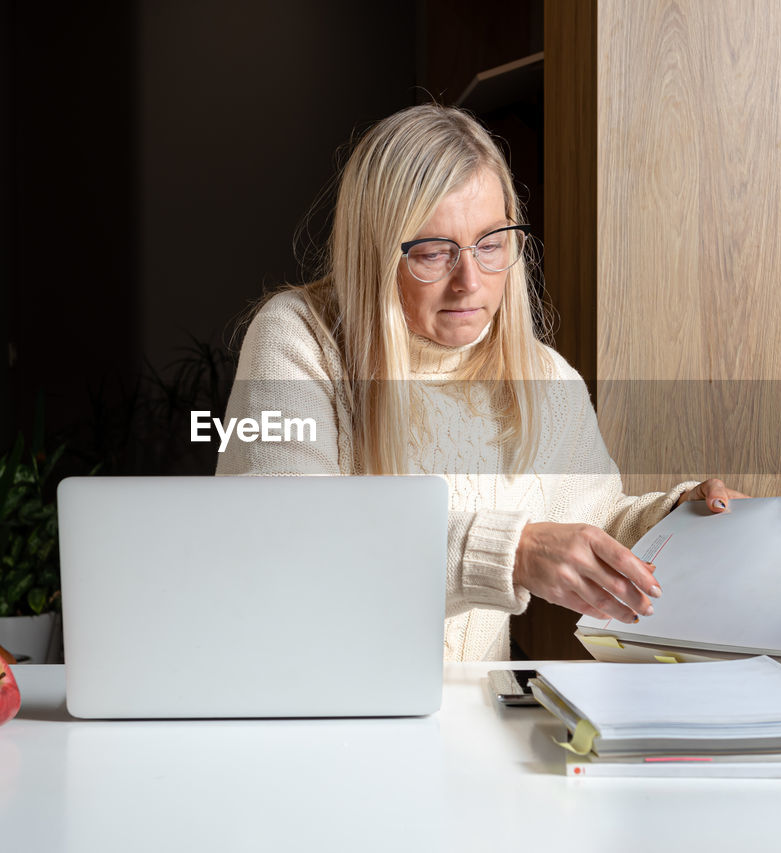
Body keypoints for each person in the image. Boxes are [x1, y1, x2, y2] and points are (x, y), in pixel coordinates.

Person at [216, 104, 744, 660]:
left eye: (490, 245)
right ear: (373, 253)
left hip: (469, 722)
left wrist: (682, 520)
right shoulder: (296, 339)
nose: (469, 281)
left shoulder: (543, 378)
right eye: (433, 252)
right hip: (313, 712)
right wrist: (509, 553)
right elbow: (284, 539)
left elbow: (599, 522)